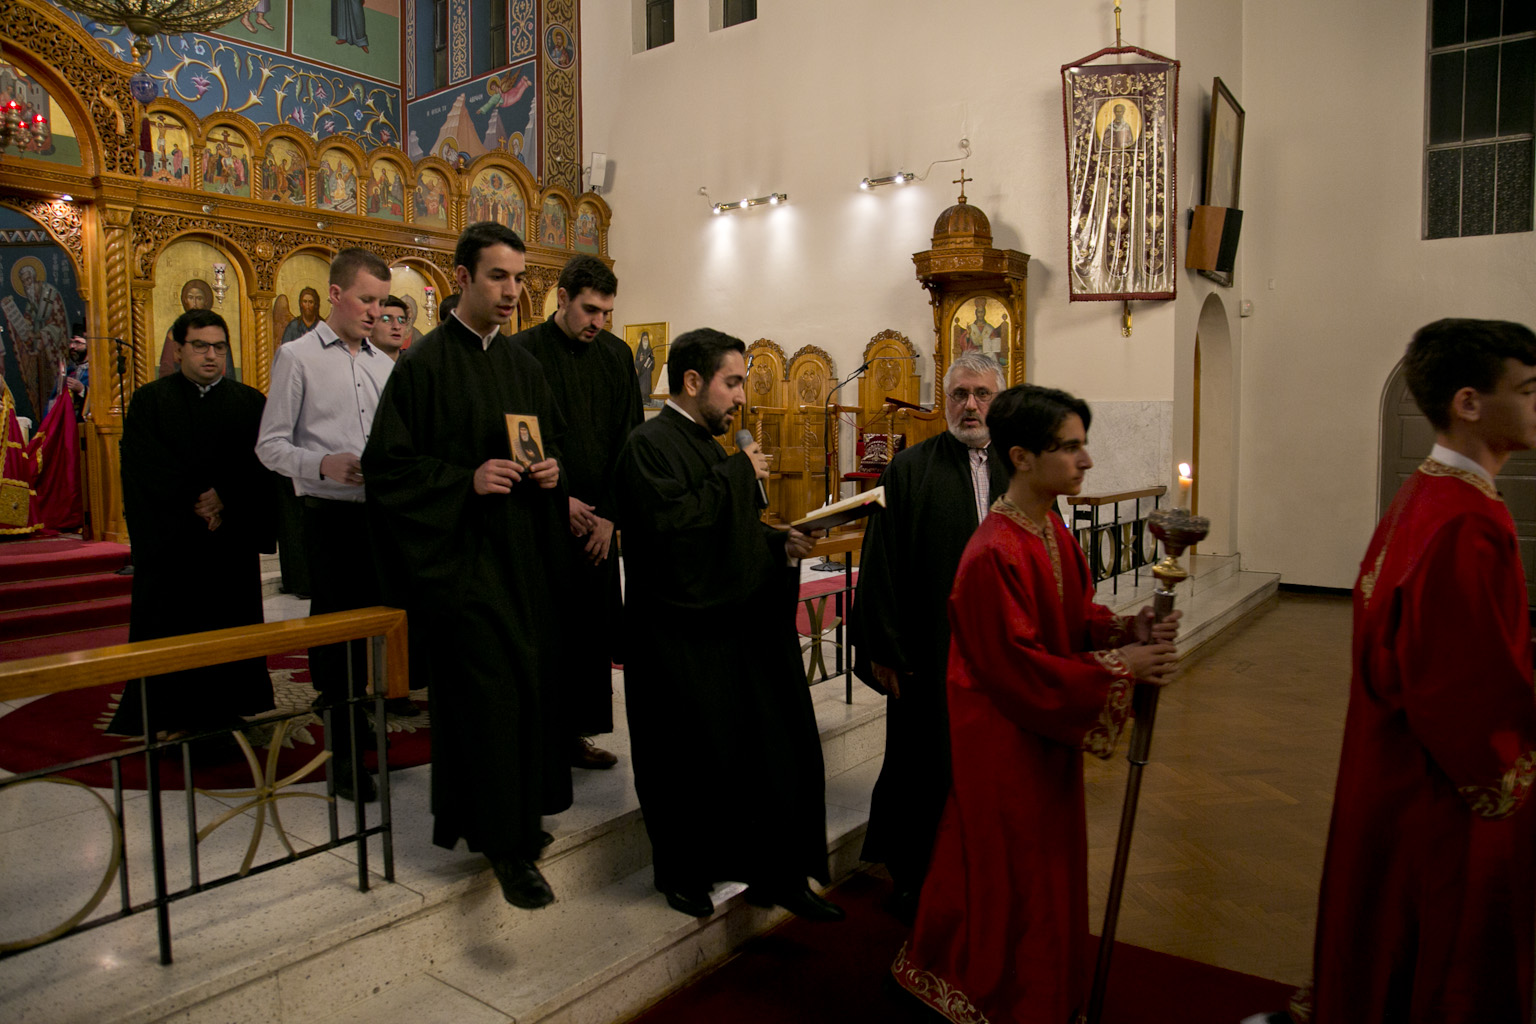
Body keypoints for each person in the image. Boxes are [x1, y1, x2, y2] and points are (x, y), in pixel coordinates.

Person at [892, 384, 1180, 1023]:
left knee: (1045, 873)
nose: (1086, 461)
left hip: (1038, 738)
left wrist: (1121, 633)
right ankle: (998, 993)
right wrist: (1118, 670)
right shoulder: (992, 552)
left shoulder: (1046, 527)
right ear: (1021, 456)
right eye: (1071, 447)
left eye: (1084, 445)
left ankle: (1044, 987)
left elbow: (1070, 615)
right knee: (1010, 877)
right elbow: (1019, 668)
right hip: (1003, 745)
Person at [1299, 319, 1536, 1024]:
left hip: (1390, 772)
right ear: (1469, 402)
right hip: (1438, 796)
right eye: (1527, 390)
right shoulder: (1464, 519)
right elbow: (1462, 695)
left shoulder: (1422, 494)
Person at [362, 222, 572, 910]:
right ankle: (504, 847)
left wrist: (550, 472)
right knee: (487, 702)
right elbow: (387, 469)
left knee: (526, 694)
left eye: (518, 278)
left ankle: (519, 820)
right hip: (462, 568)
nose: (513, 291)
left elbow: (544, 445)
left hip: (522, 562)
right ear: (460, 278)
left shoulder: (524, 366)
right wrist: (464, 481)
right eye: (497, 277)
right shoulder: (422, 366)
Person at [613, 327, 843, 923]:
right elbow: (672, 536)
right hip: (673, 639)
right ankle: (682, 875)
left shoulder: (709, 448)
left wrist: (779, 544)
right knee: (684, 764)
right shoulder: (649, 445)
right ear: (693, 382)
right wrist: (738, 472)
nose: (741, 397)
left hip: (726, 630)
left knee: (766, 749)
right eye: (732, 382)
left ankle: (779, 872)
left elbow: (726, 533)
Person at [852, 351, 1010, 920]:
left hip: (998, 655)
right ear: (945, 401)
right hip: (927, 653)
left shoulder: (1020, 470)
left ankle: (979, 870)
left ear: (999, 400)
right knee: (919, 768)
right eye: (960, 394)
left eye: (982, 394)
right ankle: (913, 876)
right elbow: (881, 567)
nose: (970, 405)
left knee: (987, 769)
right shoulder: (909, 469)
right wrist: (884, 651)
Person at [256, 248, 396, 801]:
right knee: (336, 635)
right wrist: (321, 464)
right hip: (328, 516)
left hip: (377, 518)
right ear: (334, 294)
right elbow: (269, 445)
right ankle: (342, 757)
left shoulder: (384, 365)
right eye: (366, 299)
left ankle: (362, 722)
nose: (375, 313)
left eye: (383, 303)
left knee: (370, 634)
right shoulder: (298, 357)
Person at [106, 309, 275, 738]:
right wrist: (198, 502)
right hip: (173, 544)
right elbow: (145, 469)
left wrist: (226, 498)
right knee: (169, 627)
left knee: (229, 627)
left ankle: (230, 707)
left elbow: (262, 466)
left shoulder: (251, 402)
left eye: (219, 347)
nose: (211, 356)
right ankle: (165, 713)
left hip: (227, 545)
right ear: (179, 348)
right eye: (200, 346)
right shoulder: (150, 401)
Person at [512, 254, 642, 772]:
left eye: (606, 313)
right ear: (561, 298)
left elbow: (630, 439)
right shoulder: (521, 354)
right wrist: (557, 500)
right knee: (546, 635)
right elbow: (521, 437)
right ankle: (541, 738)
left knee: (589, 636)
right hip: (545, 518)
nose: (598, 323)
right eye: (590, 310)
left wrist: (609, 516)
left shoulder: (615, 355)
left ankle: (576, 736)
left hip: (599, 528)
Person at [158, 279, 214, 378]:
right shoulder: (175, 331)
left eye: (199, 298)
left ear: (206, 301)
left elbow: (226, 369)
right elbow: (166, 366)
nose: (195, 303)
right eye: (191, 298)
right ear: (184, 300)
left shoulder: (215, 330)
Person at [47, 327, 89, 422]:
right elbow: (53, 401)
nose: (72, 346)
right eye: (71, 342)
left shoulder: (96, 372)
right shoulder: (69, 372)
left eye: (78, 342)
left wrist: (82, 390)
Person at [371, 295, 409, 361]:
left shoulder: (415, 364)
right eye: (386, 320)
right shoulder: (354, 364)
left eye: (401, 321)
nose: (397, 327)